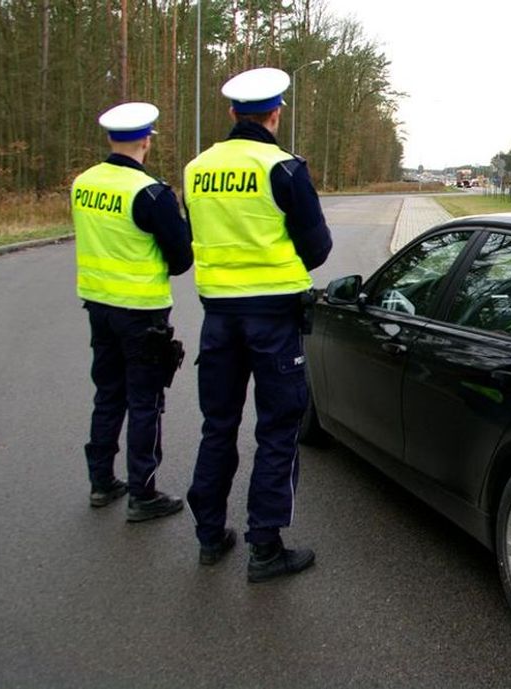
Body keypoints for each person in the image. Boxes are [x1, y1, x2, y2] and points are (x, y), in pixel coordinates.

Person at [184, 67, 332, 581]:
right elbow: (317, 248)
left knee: (217, 427)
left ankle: (209, 536)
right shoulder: (284, 169)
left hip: (218, 319)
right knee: (276, 429)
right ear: (276, 113)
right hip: (272, 320)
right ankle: (264, 548)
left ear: (231, 113)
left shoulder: (195, 169)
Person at [72, 102, 192, 522]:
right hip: (141, 312)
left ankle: (101, 482)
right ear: (146, 140)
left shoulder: (83, 183)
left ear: (109, 139)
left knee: (108, 394)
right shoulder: (151, 193)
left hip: (98, 306)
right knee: (145, 401)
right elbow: (180, 260)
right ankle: (144, 492)